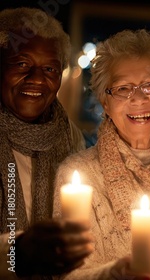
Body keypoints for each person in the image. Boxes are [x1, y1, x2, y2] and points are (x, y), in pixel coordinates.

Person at [53, 29, 150, 279]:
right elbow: (67, 273)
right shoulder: (77, 177)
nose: (138, 98)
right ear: (105, 103)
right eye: (123, 88)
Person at [0, 7, 92, 279]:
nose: (37, 79)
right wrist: (17, 253)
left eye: (50, 68)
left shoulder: (73, 140)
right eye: (21, 64)